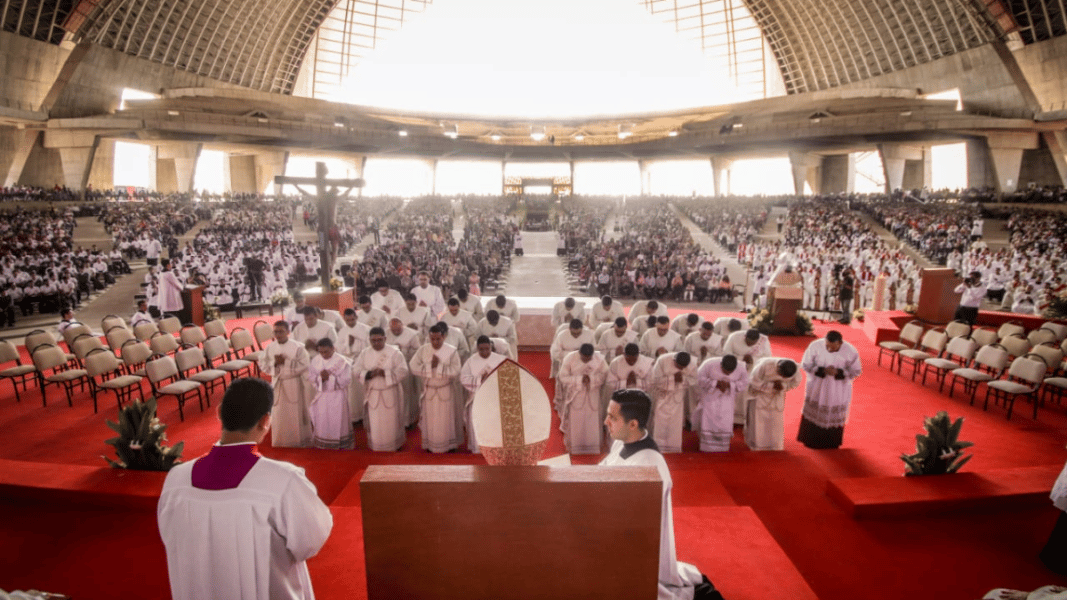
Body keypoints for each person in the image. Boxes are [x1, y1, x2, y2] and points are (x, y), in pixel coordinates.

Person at [157, 377, 333, 600]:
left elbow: (170, 537)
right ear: (265, 421)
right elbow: (309, 541)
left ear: (219, 412)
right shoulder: (283, 480)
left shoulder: (176, 480)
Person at [600, 389, 720, 600]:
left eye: (612, 417)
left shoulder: (649, 464)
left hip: (636, 543)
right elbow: (602, 472)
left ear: (633, 424)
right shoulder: (621, 442)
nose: (605, 421)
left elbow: (639, 521)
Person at [798, 330, 862, 449]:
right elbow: (806, 364)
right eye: (827, 346)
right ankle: (810, 440)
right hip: (818, 385)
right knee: (814, 410)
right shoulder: (815, 345)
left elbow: (856, 370)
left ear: (840, 343)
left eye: (833, 347)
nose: (829, 349)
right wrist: (822, 370)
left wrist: (839, 372)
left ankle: (831, 443)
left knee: (833, 413)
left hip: (837, 389)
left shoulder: (850, 351)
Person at [409, 324, 462, 453]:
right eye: (432, 339)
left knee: (446, 418)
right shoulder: (423, 349)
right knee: (431, 419)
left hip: (445, 388)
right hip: (430, 389)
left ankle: (448, 445)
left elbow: (456, 370)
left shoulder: (451, 350)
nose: (435, 342)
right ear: (429, 337)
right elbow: (413, 366)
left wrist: (438, 368)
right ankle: (431, 444)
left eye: (438, 339)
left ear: (443, 337)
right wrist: (429, 366)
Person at [354, 327, 409, 452]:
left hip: (390, 391)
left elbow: (403, 371)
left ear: (385, 338)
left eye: (379, 340)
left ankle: (394, 444)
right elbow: (356, 370)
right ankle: (377, 444)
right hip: (373, 392)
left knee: (391, 420)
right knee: (376, 421)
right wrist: (369, 374)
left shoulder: (395, 353)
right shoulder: (365, 353)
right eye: (373, 341)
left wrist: (386, 373)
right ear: (369, 340)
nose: (376, 343)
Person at [262, 320, 312, 447]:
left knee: (294, 411)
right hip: (278, 382)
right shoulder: (270, 347)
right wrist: (274, 363)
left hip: (293, 382)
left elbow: (305, 365)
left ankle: (297, 440)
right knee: (279, 412)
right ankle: (281, 440)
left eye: (281, 331)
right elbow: (263, 365)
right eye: (276, 331)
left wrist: (286, 362)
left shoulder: (298, 347)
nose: (278, 334)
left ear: (288, 332)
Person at [558, 343, 608, 455]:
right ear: (579, 353)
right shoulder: (570, 358)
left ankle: (592, 447)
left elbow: (605, 375)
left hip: (593, 393)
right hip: (576, 394)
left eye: (588, 359)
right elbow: (563, 377)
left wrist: (591, 379)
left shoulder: (599, 358)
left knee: (592, 419)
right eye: (584, 359)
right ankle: (577, 447)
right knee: (577, 419)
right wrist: (580, 379)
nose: (586, 361)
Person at [744, 358, 802, 451]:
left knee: (775, 422)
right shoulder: (764, 365)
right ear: (778, 367)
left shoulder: (794, 368)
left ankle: (774, 445)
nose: (782, 377)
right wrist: (771, 386)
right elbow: (753, 381)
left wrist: (783, 386)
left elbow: (796, 382)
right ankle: (757, 445)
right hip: (760, 396)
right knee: (758, 422)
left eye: (784, 377)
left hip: (777, 397)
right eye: (781, 374)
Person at [460, 335, 506, 453]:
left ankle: (494, 446)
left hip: (494, 397)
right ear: (477, 348)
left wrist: (493, 378)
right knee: (477, 423)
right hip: (477, 398)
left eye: (487, 349)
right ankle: (478, 447)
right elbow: (464, 378)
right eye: (481, 349)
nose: (485, 352)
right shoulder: (471, 361)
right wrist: (480, 379)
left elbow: (508, 377)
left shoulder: (500, 359)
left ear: (491, 347)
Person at [306, 338, 353, 449]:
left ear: (333, 348)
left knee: (338, 419)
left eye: (326, 351)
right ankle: (324, 441)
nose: (323, 354)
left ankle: (340, 442)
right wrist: (320, 379)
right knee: (323, 418)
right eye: (320, 352)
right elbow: (311, 377)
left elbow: (346, 379)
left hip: (338, 395)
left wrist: (329, 378)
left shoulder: (341, 361)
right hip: (323, 395)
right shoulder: (316, 360)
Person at [696, 354, 749, 452]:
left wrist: (730, 385)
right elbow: (699, 379)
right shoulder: (709, 364)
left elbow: (745, 383)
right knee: (708, 420)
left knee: (725, 421)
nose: (728, 374)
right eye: (725, 371)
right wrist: (716, 384)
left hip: (727, 399)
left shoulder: (741, 367)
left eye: (731, 372)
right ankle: (707, 446)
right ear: (721, 365)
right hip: (710, 397)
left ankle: (722, 446)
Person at [649, 351, 696, 453]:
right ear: (674, 360)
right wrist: (672, 378)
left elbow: (694, 380)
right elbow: (654, 380)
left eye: (683, 367)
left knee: (676, 423)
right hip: (663, 395)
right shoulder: (662, 360)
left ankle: (673, 447)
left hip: (678, 396)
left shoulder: (692, 363)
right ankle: (659, 447)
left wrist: (682, 379)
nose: (681, 369)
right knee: (660, 421)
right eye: (678, 366)